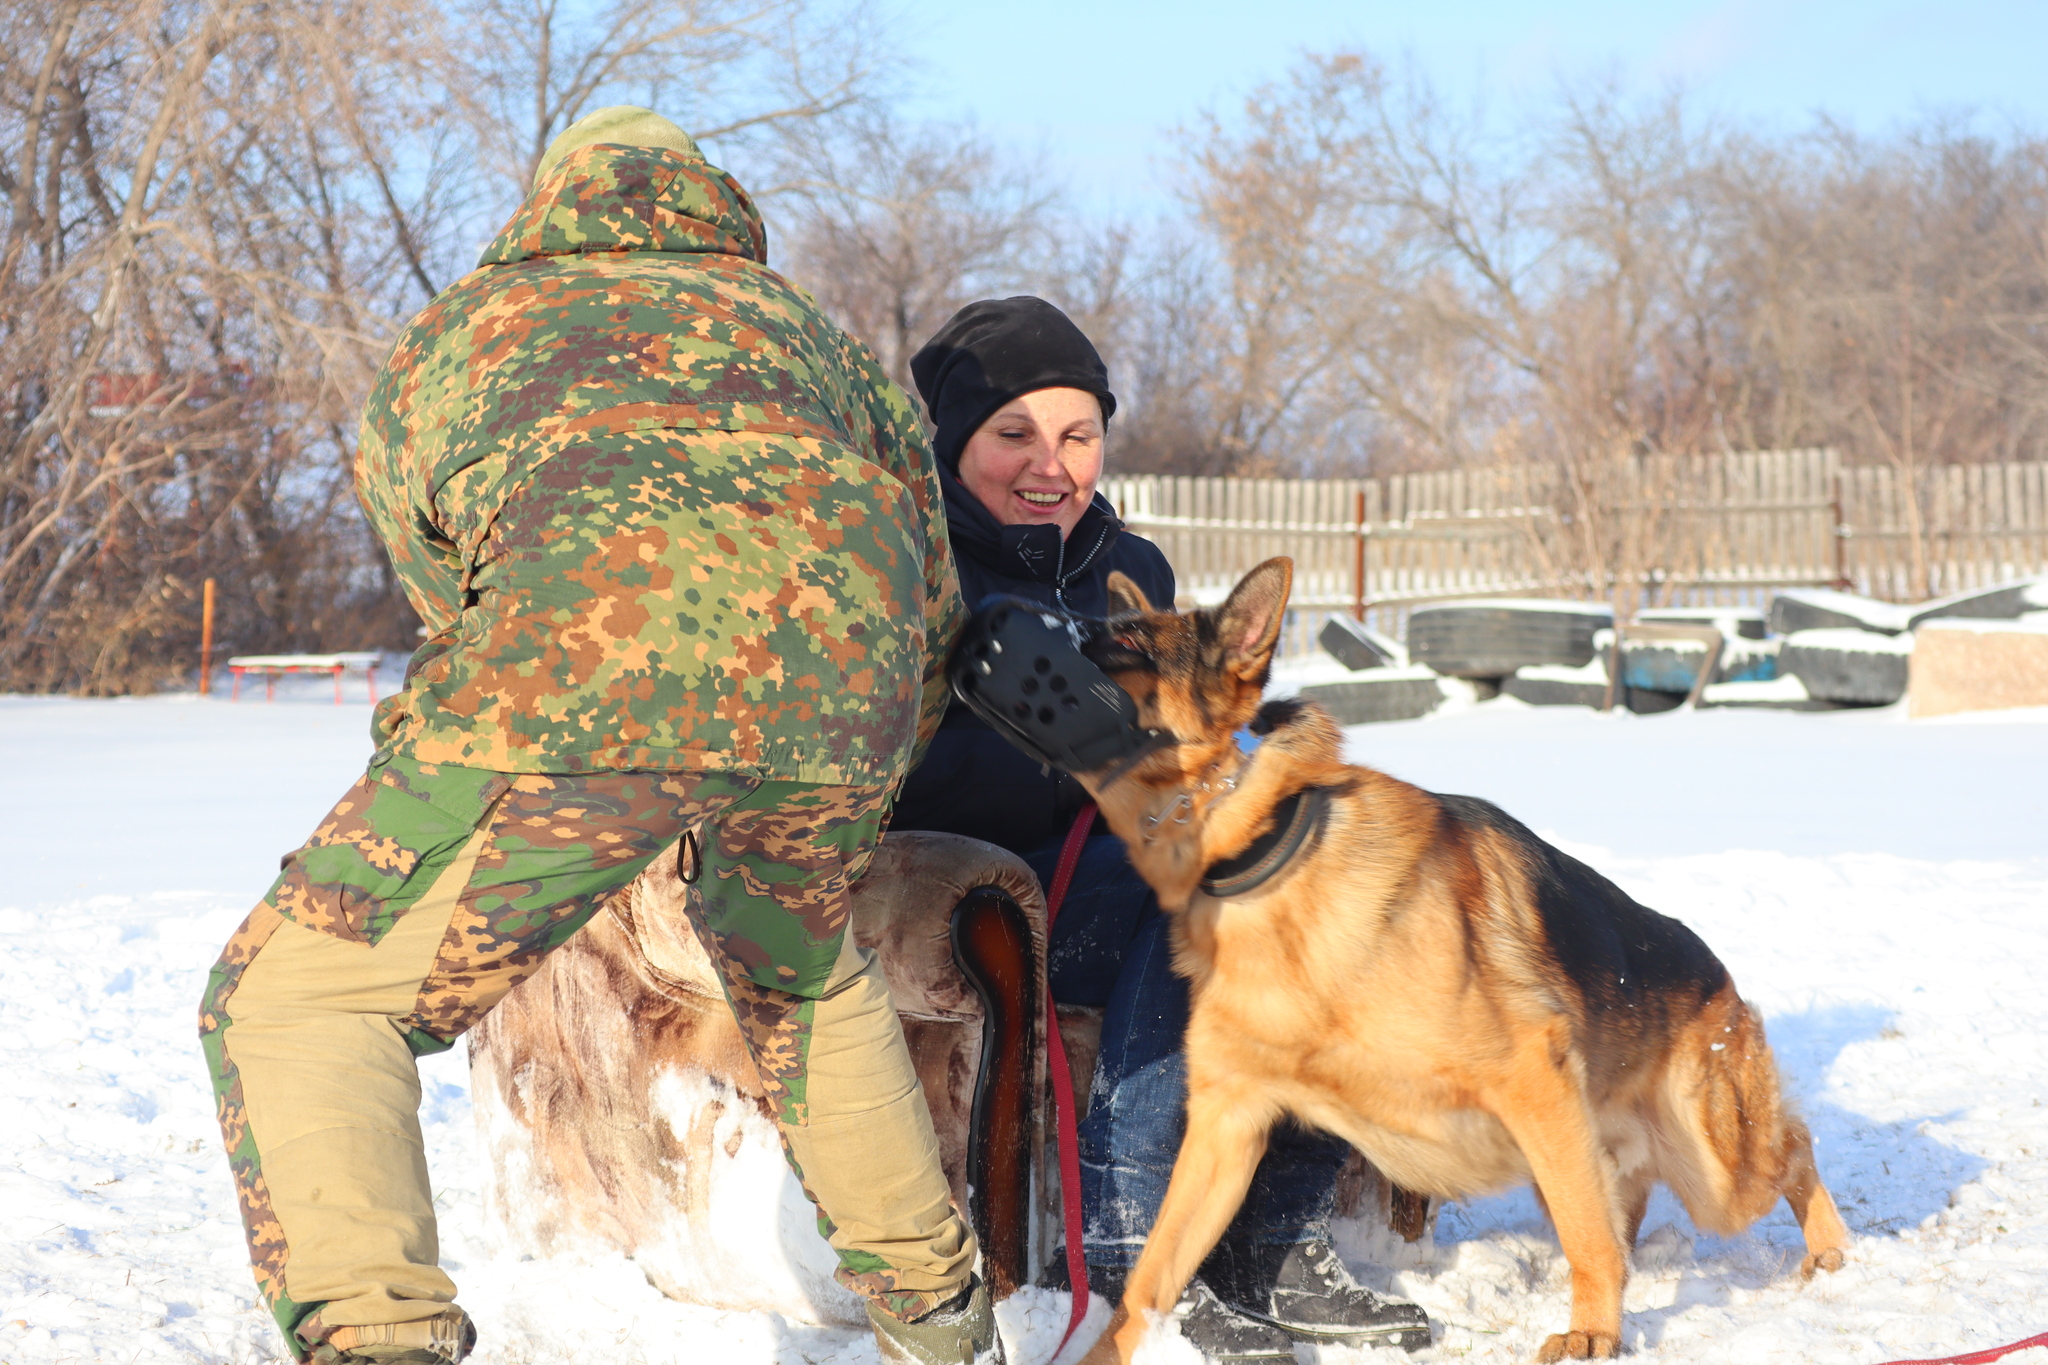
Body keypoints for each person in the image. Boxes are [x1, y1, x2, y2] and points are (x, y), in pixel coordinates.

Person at [198, 108, 999, 1365]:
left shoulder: (464, 329)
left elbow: (441, 575)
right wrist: (836, 745)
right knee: (797, 974)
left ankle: (379, 1338)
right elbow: (933, 597)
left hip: (562, 693)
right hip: (846, 703)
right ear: (709, 203)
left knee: (296, 1001)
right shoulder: (813, 340)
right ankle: (944, 1326)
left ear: (553, 203)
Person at [895, 298, 1432, 1360]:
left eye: (1077, 434)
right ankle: (1138, 1241)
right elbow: (891, 767)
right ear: (956, 442)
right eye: (1012, 434)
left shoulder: (1124, 565)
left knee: (1319, 872)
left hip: (1128, 854)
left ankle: (1268, 1232)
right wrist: (1059, 744)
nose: (1049, 464)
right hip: (978, 879)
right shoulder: (912, 565)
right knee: (1190, 889)